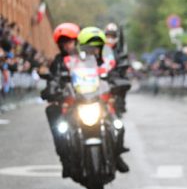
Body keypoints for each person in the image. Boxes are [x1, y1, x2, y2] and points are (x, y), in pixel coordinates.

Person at [77, 26, 130, 173]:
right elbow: (68, 76)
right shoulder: (76, 63)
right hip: (83, 101)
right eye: (89, 48)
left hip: (103, 101)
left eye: (96, 48)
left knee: (118, 126)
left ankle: (116, 155)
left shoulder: (109, 61)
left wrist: (116, 82)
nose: (92, 51)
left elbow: (119, 74)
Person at [41, 22, 80, 177]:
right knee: (52, 112)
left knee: (111, 114)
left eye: (70, 41)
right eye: (64, 42)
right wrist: (50, 90)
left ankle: (116, 153)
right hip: (68, 101)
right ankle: (65, 158)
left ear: (76, 41)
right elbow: (52, 79)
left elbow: (100, 73)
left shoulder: (85, 58)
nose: (67, 45)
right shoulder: (57, 62)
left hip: (87, 98)